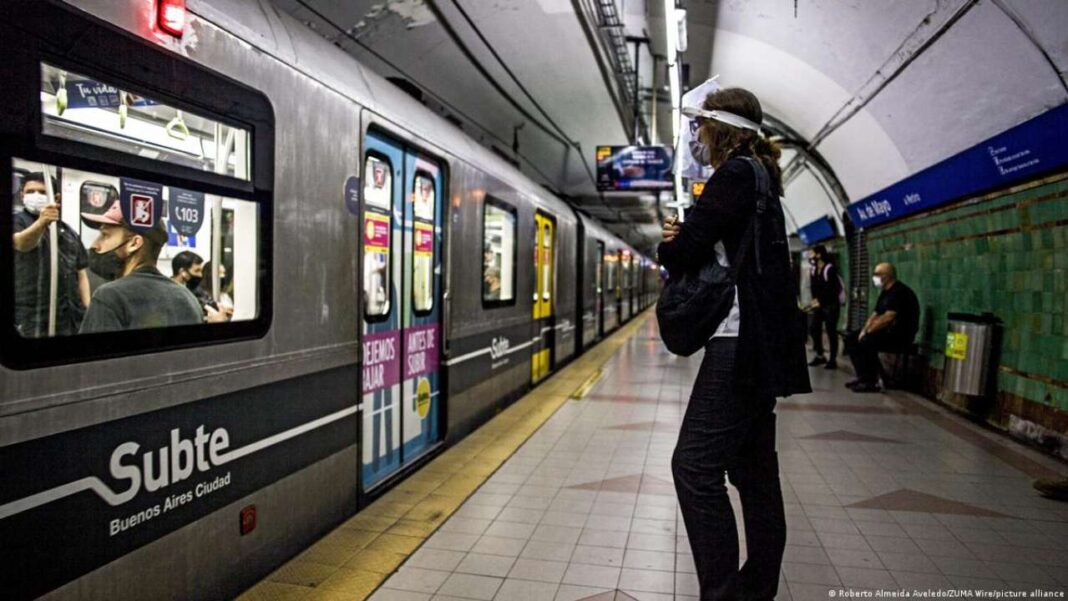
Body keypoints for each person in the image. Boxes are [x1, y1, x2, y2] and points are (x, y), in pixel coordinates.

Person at [659, 87, 811, 601]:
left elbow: (685, 252)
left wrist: (670, 240)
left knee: (694, 467)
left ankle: (723, 594)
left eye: (701, 126)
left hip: (737, 342)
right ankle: (757, 586)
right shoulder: (761, 176)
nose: (696, 136)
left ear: (721, 128)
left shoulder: (734, 175)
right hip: (761, 344)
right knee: (753, 470)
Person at [79, 200, 202, 333]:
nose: (94, 245)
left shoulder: (109, 297)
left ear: (134, 243)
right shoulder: (188, 298)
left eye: (105, 235)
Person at [12, 172, 91, 337]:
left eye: (42, 192)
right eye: (30, 191)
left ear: (56, 198)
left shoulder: (68, 232)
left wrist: (88, 308)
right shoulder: (17, 222)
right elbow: (21, 244)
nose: (36, 196)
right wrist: (42, 222)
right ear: (22, 195)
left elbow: (81, 274)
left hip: (69, 314)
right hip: (31, 316)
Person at [844, 262, 919, 392]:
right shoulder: (885, 292)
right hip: (887, 333)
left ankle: (871, 381)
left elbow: (888, 317)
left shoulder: (899, 292)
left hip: (900, 335)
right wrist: (863, 330)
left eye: (877, 274)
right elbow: (875, 314)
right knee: (851, 338)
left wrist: (868, 332)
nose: (874, 277)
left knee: (868, 341)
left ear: (887, 276)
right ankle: (863, 377)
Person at [805, 244, 843, 369]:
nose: (810, 256)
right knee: (813, 328)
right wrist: (815, 300)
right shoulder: (813, 269)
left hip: (831, 305)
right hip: (819, 304)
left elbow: (834, 289)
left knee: (831, 331)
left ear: (819, 254)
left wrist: (821, 301)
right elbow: (814, 288)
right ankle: (820, 355)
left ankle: (833, 359)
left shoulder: (829, 269)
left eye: (812, 253)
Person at [171, 250, 229, 323]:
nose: (201, 275)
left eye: (201, 271)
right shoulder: (170, 295)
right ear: (183, 272)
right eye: (197, 270)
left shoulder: (194, 289)